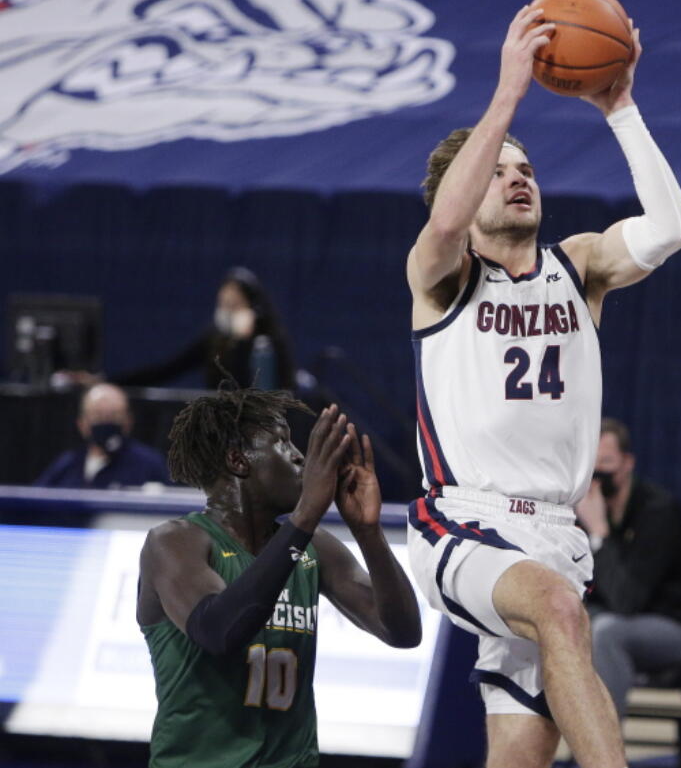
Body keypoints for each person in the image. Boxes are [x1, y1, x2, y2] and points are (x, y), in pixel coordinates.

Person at [403, 4, 681, 768]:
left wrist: (620, 108)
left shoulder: (580, 265)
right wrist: (506, 97)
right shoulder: (442, 279)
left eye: (526, 167)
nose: (518, 176)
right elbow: (440, 226)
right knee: (560, 611)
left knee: (520, 758)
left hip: (555, 536)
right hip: (463, 522)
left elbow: (670, 229)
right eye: (498, 171)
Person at [137, 390, 421, 768]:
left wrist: (368, 532)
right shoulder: (175, 542)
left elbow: (402, 632)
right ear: (239, 461)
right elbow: (218, 631)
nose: (300, 456)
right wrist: (305, 515)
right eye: (282, 443)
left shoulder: (313, 546)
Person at [574, 418, 681, 718]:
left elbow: (627, 601)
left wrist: (598, 533)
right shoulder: (579, 511)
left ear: (627, 463)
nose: (597, 475)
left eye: (607, 462)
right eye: (591, 465)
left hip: (678, 627)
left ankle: (603, 756)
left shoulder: (659, 512)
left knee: (607, 632)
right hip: (614, 619)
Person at [115, 266, 296, 390]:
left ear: (253, 307)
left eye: (234, 305)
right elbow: (168, 369)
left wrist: (243, 343)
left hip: (260, 429)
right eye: (223, 304)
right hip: (220, 429)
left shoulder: (269, 342)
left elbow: (255, 388)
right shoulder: (214, 339)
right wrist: (111, 383)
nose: (227, 312)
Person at [34, 382, 171, 488]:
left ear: (128, 422)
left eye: (114, 416)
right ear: (82, 424)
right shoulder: (67, 464)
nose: (106, 422)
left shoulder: (149, 465)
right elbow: (35, 504)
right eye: (98, 416)